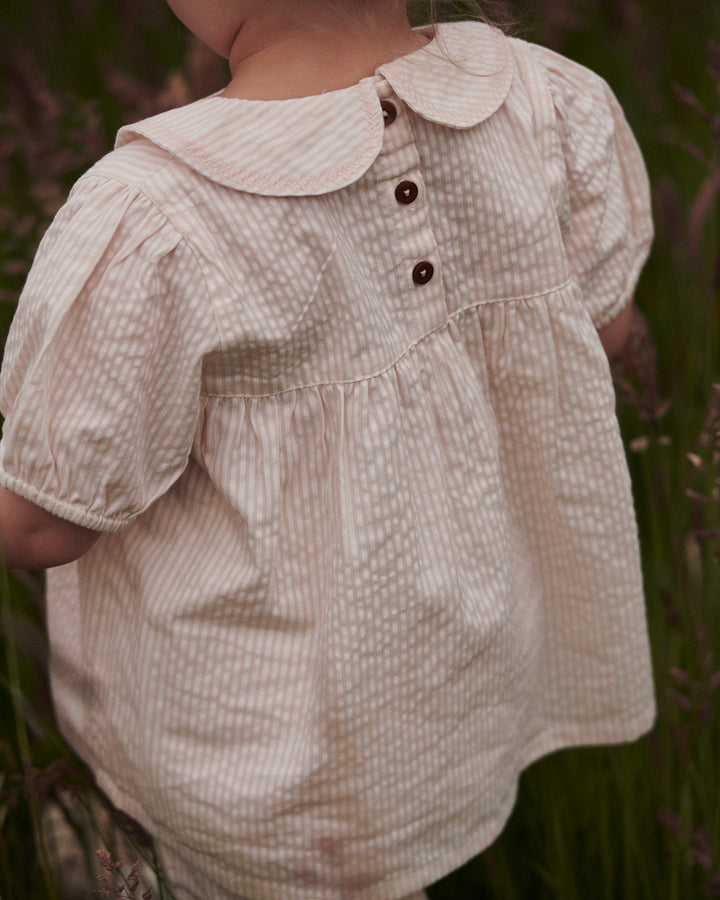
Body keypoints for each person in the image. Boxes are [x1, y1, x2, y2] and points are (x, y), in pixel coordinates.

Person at [0, 0, 656, 897]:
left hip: (252, 756)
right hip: (463, 679)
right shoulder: (550, 103)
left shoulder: (153, 217)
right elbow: (610, 331)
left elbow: (41, 524)